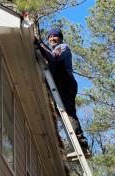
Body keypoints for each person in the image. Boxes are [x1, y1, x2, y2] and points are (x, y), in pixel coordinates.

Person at [35, 27, 91, 159]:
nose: (52, 39)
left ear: (60, 38)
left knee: (69, 112)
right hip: (59, 86)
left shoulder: (63, 48)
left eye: (55, 36)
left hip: (66, 83)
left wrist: (39, 43)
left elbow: (53, 57)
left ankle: (82, 146)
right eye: (50, 37)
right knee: (63, 113)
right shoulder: (51, 50)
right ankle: (77, 145)